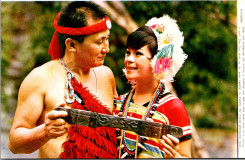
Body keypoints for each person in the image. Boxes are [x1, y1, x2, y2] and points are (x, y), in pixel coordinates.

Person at [8, 2, 118, 158]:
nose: (106, 48)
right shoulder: (40, 78)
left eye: (107, 39)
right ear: (71, 44)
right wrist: (45, 131)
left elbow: (116, 134)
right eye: (99, 42)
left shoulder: (106, 75)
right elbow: (14, 144)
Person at [114, 15, 192, 158]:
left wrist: (175, 157)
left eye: (138, 54)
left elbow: (186, 156)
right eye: (127, 53)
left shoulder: (174, 107)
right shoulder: (118, 104)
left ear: (157, 61)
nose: (129, 59)